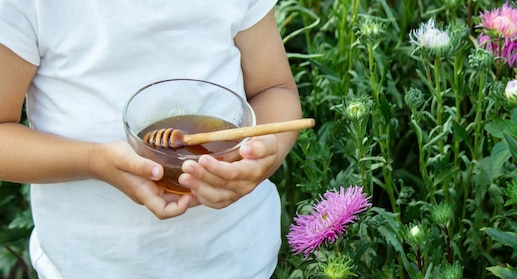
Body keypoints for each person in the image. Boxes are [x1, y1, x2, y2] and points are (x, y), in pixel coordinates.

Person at [0, 0, 301, 278]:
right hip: (91, 264)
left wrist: (263, 158)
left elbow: (274, 88)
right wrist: (94, 162)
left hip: (238, 257)